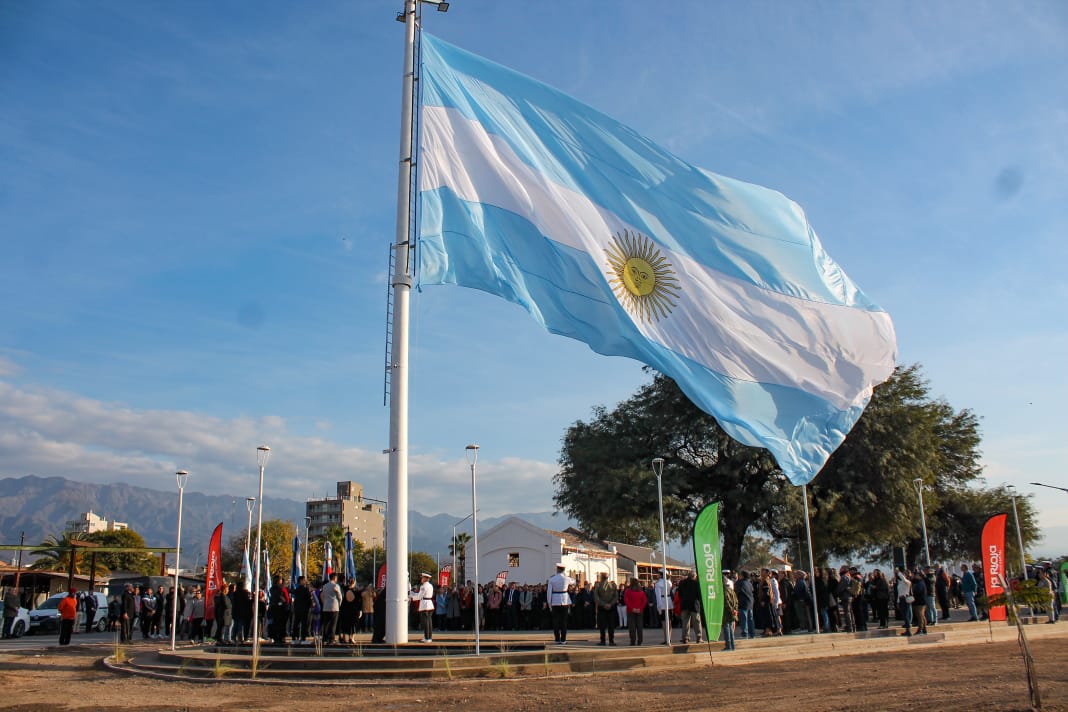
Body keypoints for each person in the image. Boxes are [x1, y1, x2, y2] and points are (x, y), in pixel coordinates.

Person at [546, 563, 574, 645]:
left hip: (555, 601)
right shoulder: (567, 579)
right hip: (564, 601)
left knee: (555, 621)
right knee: (564, 621)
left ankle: (557, 638)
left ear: (557, 569)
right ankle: (563, 639)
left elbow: (549, 593)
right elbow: (574, 581)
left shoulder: (552, 579)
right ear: (564, 570)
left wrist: (549, 603)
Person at [593, 572, 618, 646]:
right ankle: (611, 641)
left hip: (602, 607)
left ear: (601, 577)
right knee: (611, 625)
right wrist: (610, 604)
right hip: (611, 607)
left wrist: (603, 604)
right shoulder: (613, 585)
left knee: (602, 625)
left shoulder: (598, 585)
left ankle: (603, 641)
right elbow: (616, 596)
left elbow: (596, 597)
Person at [676, 571, 702, 644]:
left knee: (685, 622)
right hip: (694, 605)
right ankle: (699, 637)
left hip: (684, 605)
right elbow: (699, 595)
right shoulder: (696, 583)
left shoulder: (682, 583)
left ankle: (685, 637)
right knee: (696, 622)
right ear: (694, 576)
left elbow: (679, 594)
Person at [623, 579, 646, 646]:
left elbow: (626, 600)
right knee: (639, 626)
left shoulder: (628, 591)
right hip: (639, 611)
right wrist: (640, 608)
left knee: (632, 627)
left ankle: (632, 641)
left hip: (630, 611)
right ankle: (640, 641)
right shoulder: (641, 592)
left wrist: (632, 608)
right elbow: (644, 601)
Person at [320, 573, 341, 644]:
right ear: (335, 578)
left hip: (326, 606)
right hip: (334, 606)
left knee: (326, 623)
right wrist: (339, 603)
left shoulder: (325, 586)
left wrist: (324, 603)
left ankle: (324, 638)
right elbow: (339, 596)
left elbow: (322, 595)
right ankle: (331, 639)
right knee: (333, 624)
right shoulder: (336, 585)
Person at [414, 572, 435, 642]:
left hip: (425, 604)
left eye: (422, 577)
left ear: (426, 579)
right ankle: (429, 637)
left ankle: (427, 638)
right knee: (429, 621)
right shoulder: (430, 586)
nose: (421, 579)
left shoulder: (423, 586)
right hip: (429, 604)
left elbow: (419, 596)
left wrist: (411, 597)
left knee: (426, 622)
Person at [291, 577, 312, 644]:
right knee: (304, 624)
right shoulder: (305, 590)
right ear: (300, 581)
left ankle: (294, 638)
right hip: (304, 609)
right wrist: (310, 605)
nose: (305, 581)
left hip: (297, 609)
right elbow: (308, 599)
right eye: (304, 580)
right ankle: (303, 638)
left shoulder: (296, 590)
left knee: (296, 624)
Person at [653, 572, 672, 644]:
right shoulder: (669, 582)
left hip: (663, 602)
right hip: (669, 602)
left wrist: (659, 606)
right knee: (669, 621)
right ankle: (669, 638)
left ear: (661, 575)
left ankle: (666, 639)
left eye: (658, 574)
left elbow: (658, 596)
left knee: (664, 621)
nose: (657, 575)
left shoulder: (658, 584)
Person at [722, 572, 739, 651]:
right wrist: (735, 610)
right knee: (731, 629)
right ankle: (732, 646)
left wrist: (731, 610)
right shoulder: (732, 590)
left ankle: (728, 646)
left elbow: (726, 602)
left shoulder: (724, 591)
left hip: (727, 613)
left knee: (727, 629)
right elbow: (736, 601)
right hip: (733, 612)